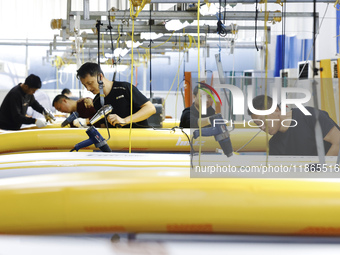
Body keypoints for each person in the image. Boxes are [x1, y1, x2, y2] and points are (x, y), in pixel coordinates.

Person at [248, 95, 340, 156]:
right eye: (258, 124)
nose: (262, 127)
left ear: (276, 110)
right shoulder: (274, 145)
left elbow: (338, 142)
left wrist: (322, 173)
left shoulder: (308, 116)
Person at [76, 62, 156, 128]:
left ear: (100, 76)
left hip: (139, 140)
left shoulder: (124, 88)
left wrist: (125, 120)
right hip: (118, 143)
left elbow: (150, 108)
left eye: (90, 83)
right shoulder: (97, 101)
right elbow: (104, 127)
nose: (88, 89)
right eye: (85, 85)